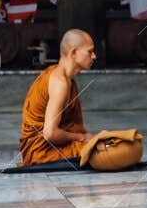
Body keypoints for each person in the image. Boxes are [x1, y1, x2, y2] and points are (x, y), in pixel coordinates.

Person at [18, 29, 97, 167]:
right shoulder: (59, 83)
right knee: (107, 151)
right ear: (74, 53)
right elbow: (49, 134)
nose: (94, 56)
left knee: (107, 145)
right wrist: (82, 137)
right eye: (90, 52)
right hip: (41, 150)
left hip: (56, 146)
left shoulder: (68, 80)